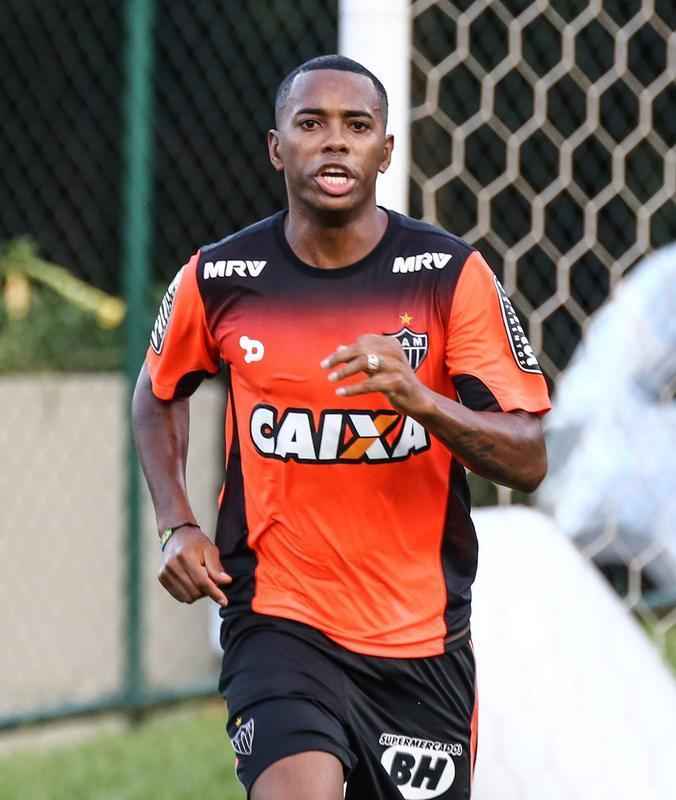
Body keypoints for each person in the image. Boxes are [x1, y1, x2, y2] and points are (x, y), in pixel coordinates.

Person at [132, 54, 550, 800]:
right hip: (279, 620)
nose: (334, 142)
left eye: (356, 126)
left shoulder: (450, 276)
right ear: (276, 147)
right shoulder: (220, 278)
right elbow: (158, 390)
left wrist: (423, 402)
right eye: (311, 123)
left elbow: (527, 456)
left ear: (386, 150)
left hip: (420, 643)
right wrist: (177, 523)